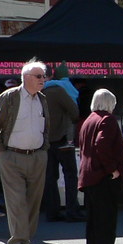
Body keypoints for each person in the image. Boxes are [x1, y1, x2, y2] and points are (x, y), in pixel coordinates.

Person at [0, 60, 50, 244]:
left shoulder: (42, 99)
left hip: (37, 156)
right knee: (16, 201)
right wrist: (2, 153)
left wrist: (44, 149)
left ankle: (26, 240)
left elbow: (46, 127)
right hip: (12, 156)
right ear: (26, 77)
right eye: (39, 76)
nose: (43, 79)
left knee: (33, 201)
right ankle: (16, 242)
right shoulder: (10, 97)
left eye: (44, 75)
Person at [77, 89, 123, 244]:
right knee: (106, 225)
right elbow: (102, 144)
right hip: (102, 178)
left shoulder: (88, 120)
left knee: (93, 225)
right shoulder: (107, 120)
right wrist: (112, 169)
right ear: (110, 104)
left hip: (89, 177)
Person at [42, 71, 84, 223]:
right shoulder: (60, 90)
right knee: (70, 175)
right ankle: (72, 210)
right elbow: (74, 112)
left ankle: (52, 212)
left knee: (50, 177)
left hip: (45, 141)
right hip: (63, 139)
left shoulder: (39, 92)